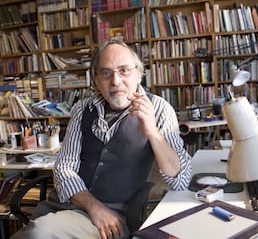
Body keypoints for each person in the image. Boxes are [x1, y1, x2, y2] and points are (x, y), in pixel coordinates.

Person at [11, 39, 192, 239]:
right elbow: (64, 168)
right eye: (106, 73)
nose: (115, 81)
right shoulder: (82, 109)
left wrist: (152, 131)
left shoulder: (159, 109)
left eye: (124, 70)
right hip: (69, 206)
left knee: (39, 233)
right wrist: (94, 207)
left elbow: (181, 179)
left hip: (117, 217)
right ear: (96, 79)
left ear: (139, 74)